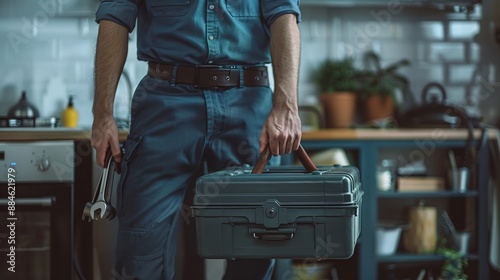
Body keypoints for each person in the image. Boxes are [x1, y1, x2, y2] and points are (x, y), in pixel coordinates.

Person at [90, 1, 302, 279]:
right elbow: (114, 17)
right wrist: (103, 113)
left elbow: (284, 15)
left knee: (259, 241)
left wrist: (286, 105)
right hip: (164, 106)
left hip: (248, 106)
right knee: (138, 250)